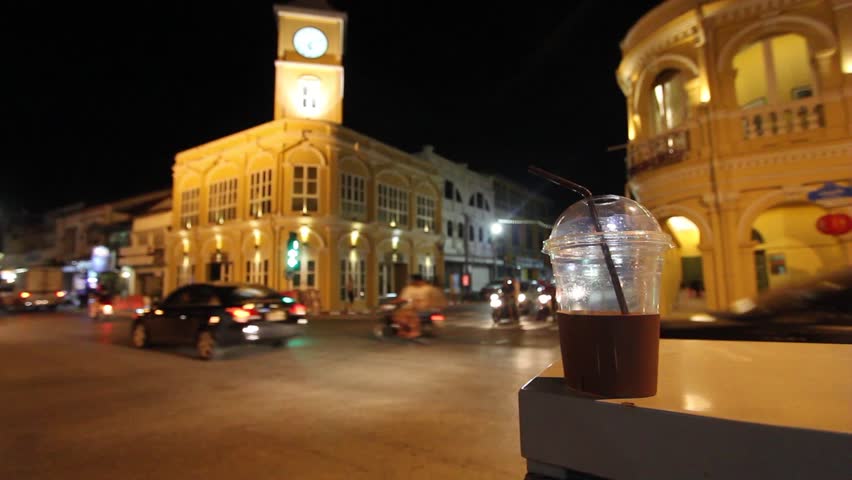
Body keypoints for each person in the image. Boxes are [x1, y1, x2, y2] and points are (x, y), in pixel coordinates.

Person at [395, 274, 446, 339]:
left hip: (422, 310)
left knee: (405, 315)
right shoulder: (410, 288)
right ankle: (405, 331)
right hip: (421, 310)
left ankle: (414, 331)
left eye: (410, 280)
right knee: (402, 314)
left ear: (414, 280)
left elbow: (403, 299)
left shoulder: (412, 289)